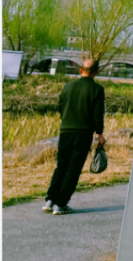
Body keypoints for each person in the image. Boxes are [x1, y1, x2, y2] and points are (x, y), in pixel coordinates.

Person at [44, 57, 106, 215]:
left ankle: (50, 200)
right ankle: (61, 204)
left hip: (65, 131)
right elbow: (97, 114)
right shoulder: (97, 89)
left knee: (61, 166)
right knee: (73, 169)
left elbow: (60, 106)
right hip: (83, 133)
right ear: (96, 72)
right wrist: (100, 134)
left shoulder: (68, 86)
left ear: (80, 70)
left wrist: (66, 120)